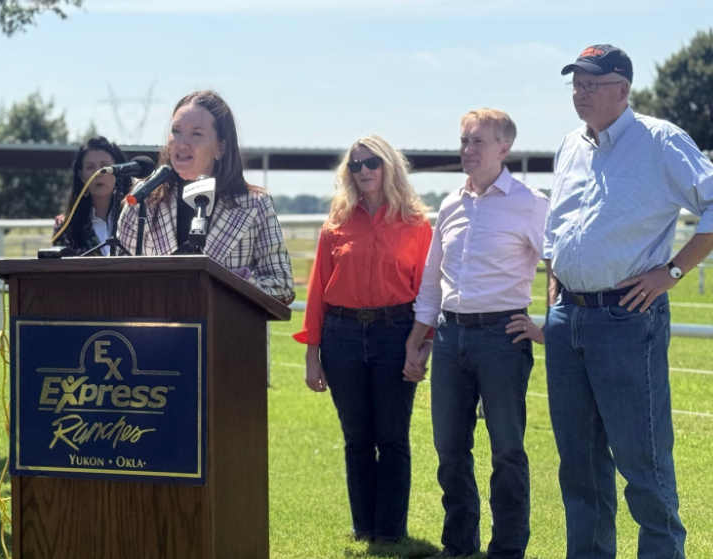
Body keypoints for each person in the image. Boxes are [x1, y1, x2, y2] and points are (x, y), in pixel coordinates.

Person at [543, 45, 713, 559]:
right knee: (579, 461)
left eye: (593, 83)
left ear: (623, 88)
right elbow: (558, 225)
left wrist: (674, 270)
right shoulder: (570, 145)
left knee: (642, 457)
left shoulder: (660, 141)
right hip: (566, 315)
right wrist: (556, 281)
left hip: (626, 315)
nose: (581, 92)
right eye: (576, 82)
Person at [403, 109, 548, 559]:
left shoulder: (530, 202)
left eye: (478, 142)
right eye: (464, 141)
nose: (467, 150)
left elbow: (560, 265)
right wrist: (418, 338)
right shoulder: (449, 204)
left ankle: (507, 549)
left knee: (506, 450)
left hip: (503, 337)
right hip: (449, 337)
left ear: (504, 148)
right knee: (449, 449)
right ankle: (458, 547)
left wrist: (548, 325)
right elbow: (432, 279)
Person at [294, 135, 432, 543]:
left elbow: (427, 291)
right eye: (356, 165)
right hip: (342, 337)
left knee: (392, 437)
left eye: (372, 162)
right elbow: (317, 290)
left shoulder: (416, 224)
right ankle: (364, 528)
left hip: (396, 335)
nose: (364, 170)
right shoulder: (335, 224)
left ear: (389, 166)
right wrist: (311, 355)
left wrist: (422, 346)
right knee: (357, 439)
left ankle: (391, 532)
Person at [117, 90, 295, 303]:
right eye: (176, 131)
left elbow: (282, 285)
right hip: (156, 332)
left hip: (227, 332)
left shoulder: (255, 204)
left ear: (220, 148)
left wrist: (236, 286)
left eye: (196, 134)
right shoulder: (142, 199)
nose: (182, 143)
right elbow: (115, 278)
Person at [53, 136, 132, 255]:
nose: (98, 173)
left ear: (119, 172)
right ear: (81, 176)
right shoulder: (66, 226)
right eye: (90, 167)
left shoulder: (136, 218)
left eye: (105, 166)